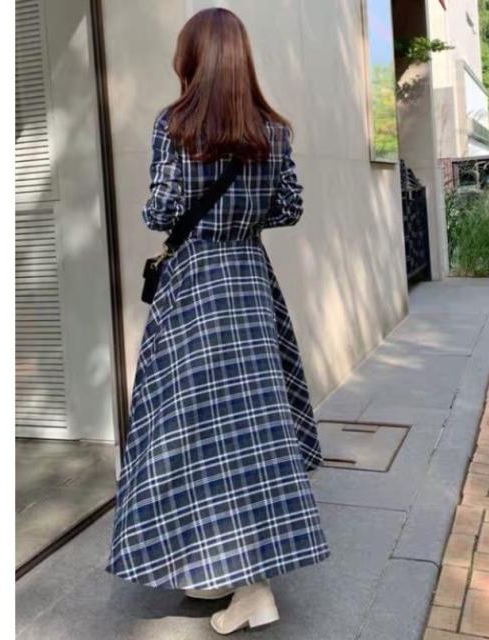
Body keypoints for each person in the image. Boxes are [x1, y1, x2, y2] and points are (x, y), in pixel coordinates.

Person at [105, 7, 330, 635]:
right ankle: (219, 564)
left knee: (191, 424)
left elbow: (160, 211)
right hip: (249, 284)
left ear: (192, 59)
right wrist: (242, 217)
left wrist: (197, 206)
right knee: (246, 426)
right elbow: (289, 207)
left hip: (194, 288)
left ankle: (250, 586)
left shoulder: (173, 126)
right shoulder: (273, 131)